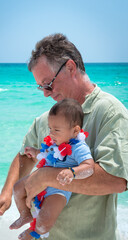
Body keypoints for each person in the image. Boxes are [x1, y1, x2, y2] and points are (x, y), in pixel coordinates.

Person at [0, 33, 128, 240]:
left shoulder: (110, 111)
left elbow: (117, 180)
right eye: (41, 87)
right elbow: (25, 156)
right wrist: (7, 193)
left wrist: (46, 176)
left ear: (70, 67)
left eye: (48, 83)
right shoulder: (47, 119)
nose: (45, 93)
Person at [9, 99, 94, 239]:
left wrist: (72, 172)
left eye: (56, 129)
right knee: (17, 188)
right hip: (41, 181)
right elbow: (47, 155)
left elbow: (89, 167)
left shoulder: (79, 148)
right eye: (50, 128)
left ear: (75, 130)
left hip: (59, 189)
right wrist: (35, 152)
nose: (51, 133)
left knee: (45, 220)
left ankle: (34, 232)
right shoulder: (55, 143)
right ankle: (25, 214)